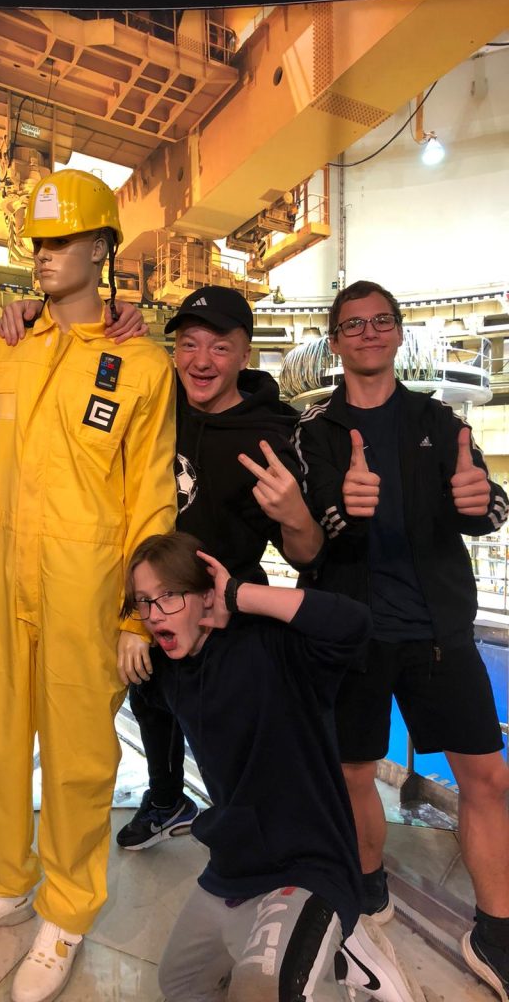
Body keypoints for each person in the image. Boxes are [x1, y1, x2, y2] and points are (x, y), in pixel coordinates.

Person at [0, 169, 176, 1002]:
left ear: (102, 248)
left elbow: (150, 497)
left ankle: (67, 910)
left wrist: (139, 611)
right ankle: (4, 882)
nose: (44, 255)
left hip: (84, 585)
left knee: (79, 755)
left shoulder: (140, 364)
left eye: (62, 239)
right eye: (37, 242)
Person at [294, 279, 509, 1000]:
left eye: (380, 321)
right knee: (353, 773)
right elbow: (307, 532)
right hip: (353, 635)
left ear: (396, 333)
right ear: (335, 341)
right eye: (353, 324)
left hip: (438, 633)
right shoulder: (315, 432)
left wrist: (485, 505)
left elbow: (486, 502)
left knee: (487, 778)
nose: (368, 332)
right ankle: (367, 883)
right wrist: (341, 509)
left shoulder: (437, 419)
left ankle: (496, 930)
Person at [123, 530, 424, 1002]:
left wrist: (240, 595)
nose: (155, 613)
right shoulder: (167, 673)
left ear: (206, 596)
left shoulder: (270, 645)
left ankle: (336, 936)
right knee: (178, 985)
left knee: (266, 989)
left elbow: (352, 623)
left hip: (307, 865)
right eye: (144, 602)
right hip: (233, 867)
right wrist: (125, 634)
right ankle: (334, 949)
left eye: (169, 596)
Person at [116, 285, 325, 849]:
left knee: (231, 741)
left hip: (223, 613)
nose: (201, 361)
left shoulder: (273, 433)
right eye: (189, 344)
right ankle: (167, 800)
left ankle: (255, 836)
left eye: (220, 347)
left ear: (244, 354)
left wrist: (296, 514)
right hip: (155, 603)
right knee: (150, 701)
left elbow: (306, 554)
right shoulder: (158, 406)